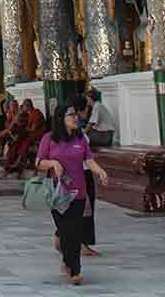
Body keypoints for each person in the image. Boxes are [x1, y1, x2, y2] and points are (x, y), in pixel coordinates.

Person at [35, 101, 110, 285]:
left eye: (76, 114)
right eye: (71, 115)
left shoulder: (81, 139)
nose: (76, 118)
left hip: (78, 193)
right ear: (61, 118)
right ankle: (68, 262)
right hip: (58, 194)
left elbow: (89, 160)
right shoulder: (49, 139)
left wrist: (100, 171)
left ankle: (74, 270)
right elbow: (38, 162)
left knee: (75, 233)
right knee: (66, 231)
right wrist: (53, 163)